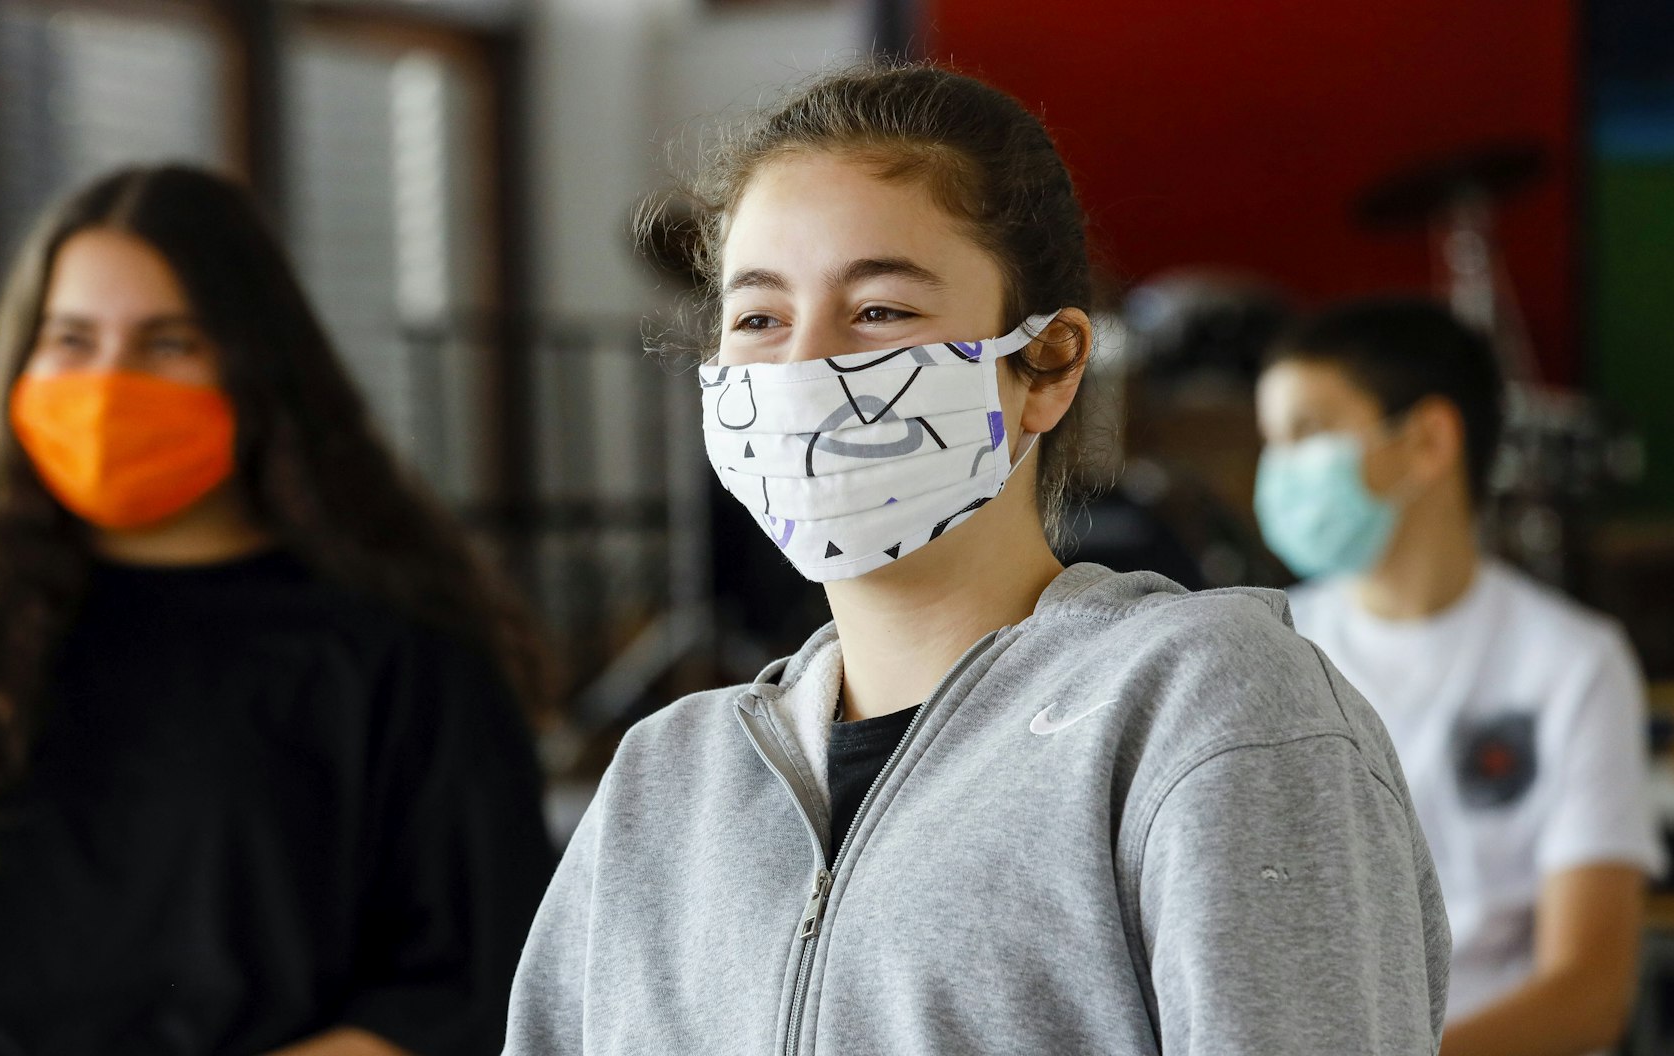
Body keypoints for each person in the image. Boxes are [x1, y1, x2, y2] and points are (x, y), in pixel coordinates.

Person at [504, 62, 1449, 1054]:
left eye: (880, 311)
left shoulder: (1198, 707)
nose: (803, 366)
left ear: (1046, 366)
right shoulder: (661, 783)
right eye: (758, 319)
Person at [0, 166, 555, 1056]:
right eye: (72, 339)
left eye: (168, 343)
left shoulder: (407, 657)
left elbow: (470, 983)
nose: (109, 384)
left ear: (259, 365)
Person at [1254, 297, 1664, 1056]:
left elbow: (1590, 994)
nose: (1276, 473)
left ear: (1428, 441)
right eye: (1269, 441)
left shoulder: (1573, 664)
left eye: (1307, 433)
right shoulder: (1264, 651)